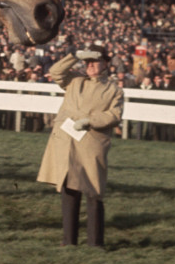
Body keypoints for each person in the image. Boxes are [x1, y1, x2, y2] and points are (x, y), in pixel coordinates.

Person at [37, 43, 124, 247]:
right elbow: (55, 72)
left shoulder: (113, 90)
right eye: (88, 61)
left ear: (105, 63)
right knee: (69, 190)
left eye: (95, 61)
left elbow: (114, 115)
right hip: (67, 142)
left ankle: (95, 243)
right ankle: (69, 241)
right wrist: (74, 56)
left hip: (91, 143)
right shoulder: (74, 80)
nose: (91, 65)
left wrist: (90, 121)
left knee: (93, 192)